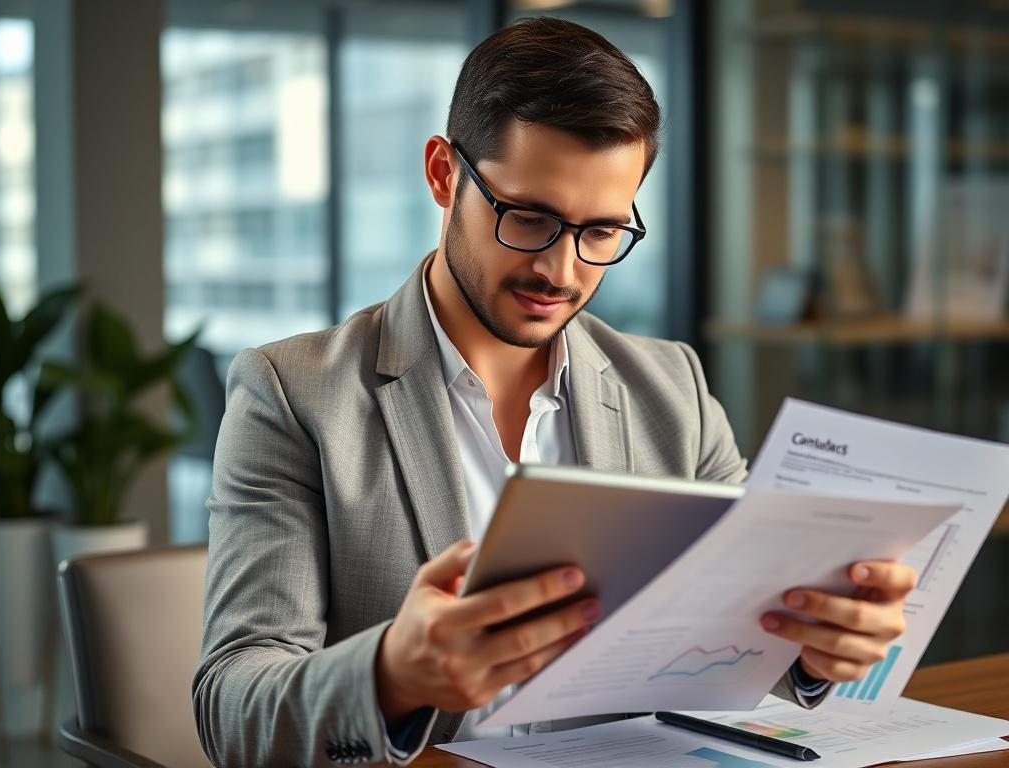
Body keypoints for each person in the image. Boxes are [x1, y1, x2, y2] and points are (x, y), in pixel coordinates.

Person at [193, 17, 916, 768]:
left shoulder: (672, 388)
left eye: (601, 232)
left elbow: (738, 627)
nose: (561, 272)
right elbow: (231, 709)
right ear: (443, 174)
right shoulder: (295, 394)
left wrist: (815, 646)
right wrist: (391, 677)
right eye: (530, 217)